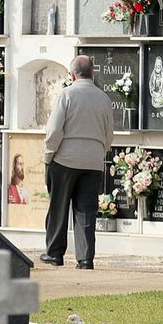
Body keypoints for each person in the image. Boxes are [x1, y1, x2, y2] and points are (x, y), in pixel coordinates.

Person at [42, 55, 114, 269]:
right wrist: (99, 151)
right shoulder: (104, 98)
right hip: (92, 161)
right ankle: (85, 258)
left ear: (72, 75)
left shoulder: (67, 94)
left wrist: (49, 155)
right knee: (86, 210)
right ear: (93, 73)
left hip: (65, 158)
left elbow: (55, 130)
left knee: (58, 207)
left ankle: (55, 254)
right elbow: (109, 134)